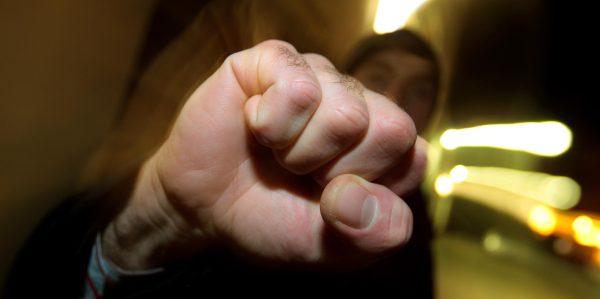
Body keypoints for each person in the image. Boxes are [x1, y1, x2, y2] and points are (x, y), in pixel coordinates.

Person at [4, 29, 439, 298]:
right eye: (379, 76)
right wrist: (165, 214)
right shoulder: (262, 169)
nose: (398, 98)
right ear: (348, 82)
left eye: (420, 90)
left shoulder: (417, 227)